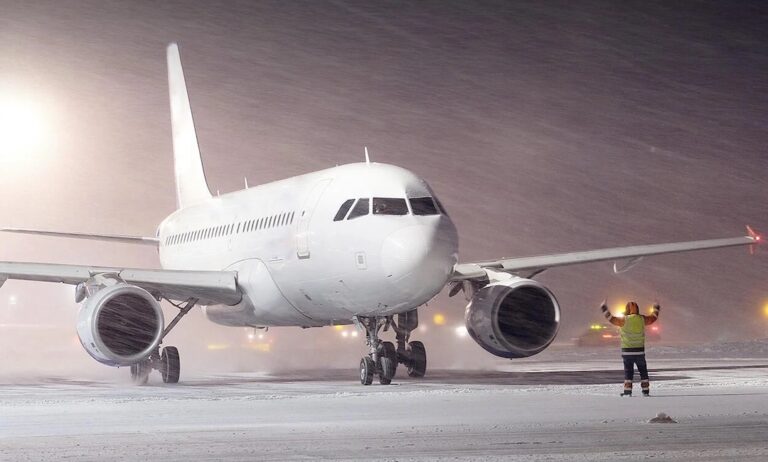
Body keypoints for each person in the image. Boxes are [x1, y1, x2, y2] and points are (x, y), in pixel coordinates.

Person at [601, 300, 660, 396]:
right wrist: (656, 308)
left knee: (628, 372)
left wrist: (604, 308)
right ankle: (645, 391)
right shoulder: (641, 319)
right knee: (643, 371)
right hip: (640, 351)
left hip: (627, 351)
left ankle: (627, 391)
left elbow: (610, 318)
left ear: (627, 309)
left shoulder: (624, 320)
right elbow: (653, 318)